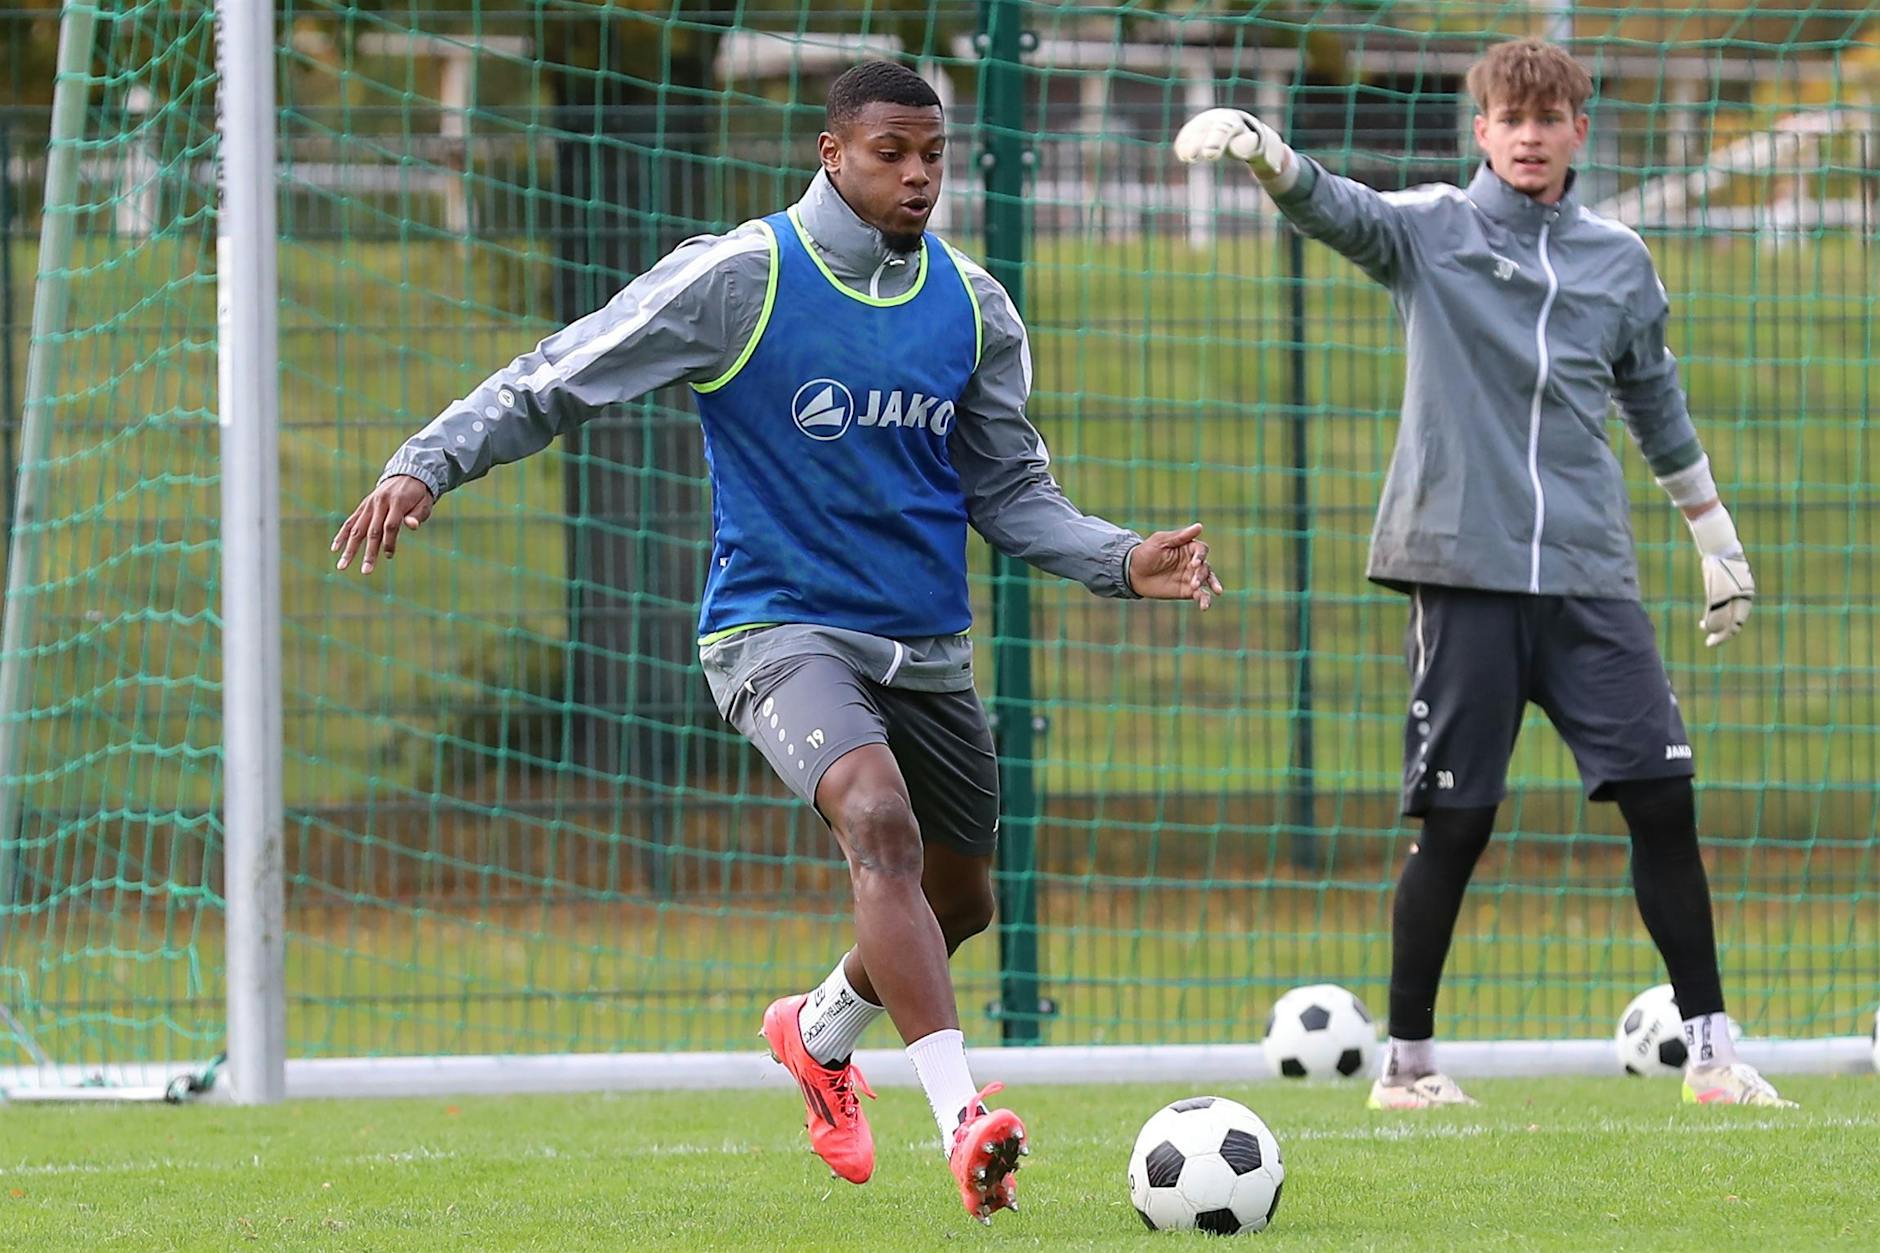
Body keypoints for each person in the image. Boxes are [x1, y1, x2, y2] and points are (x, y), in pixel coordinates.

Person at [334, 59, 1224, 1218]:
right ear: (830, 153)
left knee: (957, 904)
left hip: (927, 648)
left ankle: (814, 1033)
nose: (916, 176)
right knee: (877, 821)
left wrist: (1118, 556)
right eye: (889, 153)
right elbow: (557, 373)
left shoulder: (972, 304)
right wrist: (425, 461)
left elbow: (1007, 495)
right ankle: (963, 1119)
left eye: (932, 155)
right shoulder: (742, 277)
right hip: (775, 629)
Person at [1175, 37, 1791, 1109]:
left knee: (1663, 795)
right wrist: (1270, 158)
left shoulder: (1618, 261)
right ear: (1480, 130)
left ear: (1575, 133)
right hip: (1459, 569)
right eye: (1509, 117)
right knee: (1457, 821)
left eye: (1547, 118)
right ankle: (1405, 1064)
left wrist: (1711, 530)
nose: (1527, 135)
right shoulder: (1432, 230)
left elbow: (1652, 401)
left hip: (1590, 578)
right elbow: (1342, 211)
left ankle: (1711, 1054)